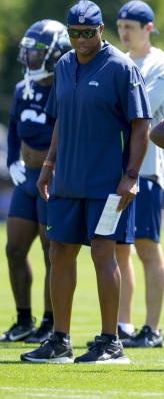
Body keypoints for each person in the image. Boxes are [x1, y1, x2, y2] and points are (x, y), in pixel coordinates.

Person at [21, 0, 152, 364]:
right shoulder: (63, 65)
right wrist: (48, 163)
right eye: (74, 33)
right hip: (66, 180)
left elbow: (142, 126)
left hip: (108, 183)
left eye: (88, 33)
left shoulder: (121, 68)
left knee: (102, 253)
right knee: (58, 251)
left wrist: (131, 176)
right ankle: (60, 341)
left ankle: (111, 342)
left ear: (100, 30)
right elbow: (61, 119)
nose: (81, 39)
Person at [0, 20, 71, 344]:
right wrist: (12, 159)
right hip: (26, 178)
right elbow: (14, 127)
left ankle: (49, 321)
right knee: (14, 248)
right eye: (28, 50)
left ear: (53, 53)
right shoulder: (22, 88)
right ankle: (24, 319)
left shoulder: (65, 86)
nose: (29, 56)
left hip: (51, 178)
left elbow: (67, 133)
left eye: (37, 51)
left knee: (51, 252)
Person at [114, 0, 164, 348]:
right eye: (121, 26)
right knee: (119, 249)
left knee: (149, 248)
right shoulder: (117, 63)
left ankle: (151, 329)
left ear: (148, 29)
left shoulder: (160, 64)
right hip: (115, 170)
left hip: (146, 172)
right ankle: (123, 325)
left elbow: (138, 112)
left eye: (130, 27)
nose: (124, 33)